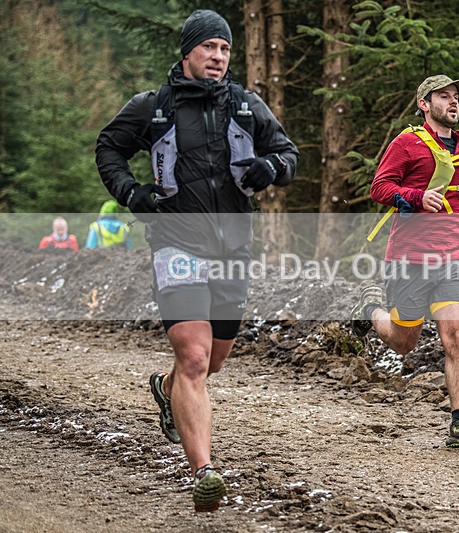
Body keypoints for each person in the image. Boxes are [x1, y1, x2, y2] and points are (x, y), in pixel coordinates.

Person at [95, 9, 298, 512]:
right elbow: (108, 149)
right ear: (188, 51)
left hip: (232, 245)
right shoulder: (153, 106)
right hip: (175, 242)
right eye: (209, 47)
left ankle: (167, 390)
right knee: (193, 356)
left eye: (225, 49)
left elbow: (288, 154)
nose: (218, 57)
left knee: (214, 360)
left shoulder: (246, 106)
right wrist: (131, 193)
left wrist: (269, 166)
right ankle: (204, 470)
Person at [351, 75, 459, 448]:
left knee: (456, 337)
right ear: (424, 103)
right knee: (405, 342)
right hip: (409, 259)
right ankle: (370, 309)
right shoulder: (407, 143)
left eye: (455, 97)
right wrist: (417, 198)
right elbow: (379, 188)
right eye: (443, 96)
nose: (452, 102)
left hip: (452, 257)